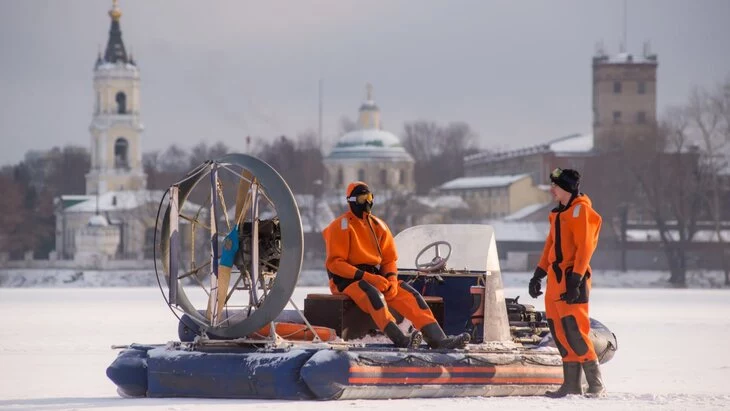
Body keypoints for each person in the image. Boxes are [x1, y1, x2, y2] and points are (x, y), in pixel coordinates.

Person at [322, 181, 470, 349]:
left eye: (370, 197)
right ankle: (401, 339)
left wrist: (391, 279)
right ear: (352, 201)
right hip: (347, 281)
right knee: (373, 296)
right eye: (363, 198)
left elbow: (389, 260)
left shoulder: (379, 226)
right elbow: (335, 264)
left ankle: (438, 339)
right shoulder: (340, 226)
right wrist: (368, 277)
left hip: (376, 278)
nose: (367, 202)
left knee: (411, 295)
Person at [528, 168, 606, 398]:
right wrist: (538, 274)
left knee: (575, 330)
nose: (552, 189)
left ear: (567, 188)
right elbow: (550, 247)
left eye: (556, 186)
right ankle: (571, 385)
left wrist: (576, 278)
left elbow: (585, 248)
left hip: (573, 279)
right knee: (559, 331)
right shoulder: (558, 213)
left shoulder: (582, 210)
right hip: (555, 280)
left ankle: (596, 384)